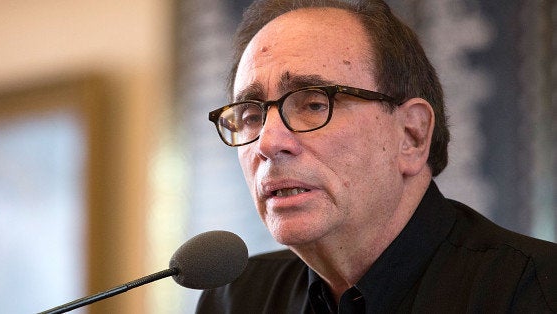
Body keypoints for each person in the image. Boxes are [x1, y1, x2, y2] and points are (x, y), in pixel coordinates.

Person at [198, 0, 557, 313]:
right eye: (251, 116)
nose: (268, 142)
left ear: (411, 136)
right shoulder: (235, 298)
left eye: (313, 103)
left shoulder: (534, 291)